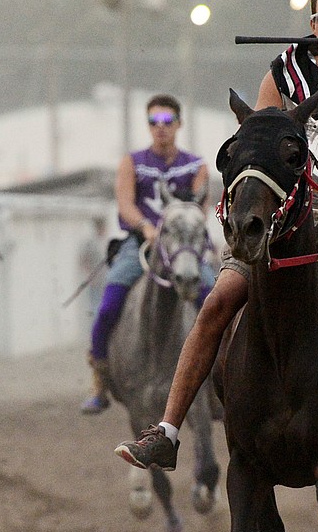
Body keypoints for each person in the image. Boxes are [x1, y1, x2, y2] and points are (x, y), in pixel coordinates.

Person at [115, 0, 318, 488]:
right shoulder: (282, 72)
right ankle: (166, 431)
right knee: (215, 304)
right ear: (312, 23)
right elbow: (258, 145)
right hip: (283, 220)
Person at [80, 94, 216, 414]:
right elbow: (125, 204)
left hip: (183, 244)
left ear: (179, 124)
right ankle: (100, 381)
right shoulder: (132, 162)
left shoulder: (196, 166)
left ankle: (221, 376)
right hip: (139, 242)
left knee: (214, 299)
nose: (160, 128)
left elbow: (200, 207)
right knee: (109, 304)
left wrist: (172, 231)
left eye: (167, 121)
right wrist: (146, 228)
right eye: (153, 122)